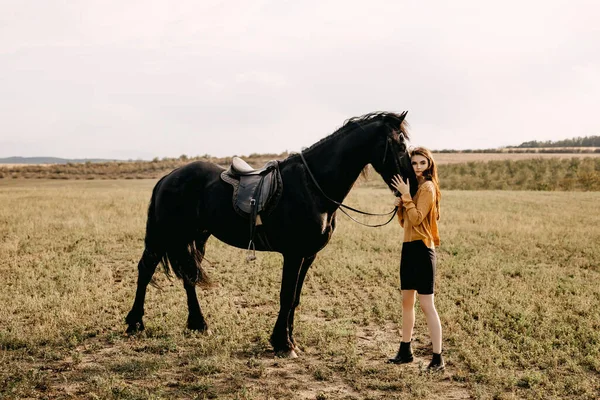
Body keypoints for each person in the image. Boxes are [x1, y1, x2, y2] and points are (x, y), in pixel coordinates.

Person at [387, 147, 444, 371]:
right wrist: (401, 205)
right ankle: (405, 350)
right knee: (406, 302)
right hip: (408, 248)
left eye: (422, 163)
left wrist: (407, 198)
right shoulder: (415, 187)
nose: (418, 167)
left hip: (422, 249)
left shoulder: (428, 188)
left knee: (426, 304)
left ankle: (438, 358)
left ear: (429, 164)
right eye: (414, 163)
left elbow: (418, 218)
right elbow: (406, 222)